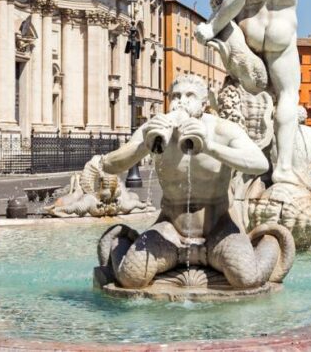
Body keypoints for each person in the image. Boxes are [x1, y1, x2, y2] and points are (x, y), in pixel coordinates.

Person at [99, 74, 290, 289]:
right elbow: (109, 165)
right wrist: (144, 145)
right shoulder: (155, 129)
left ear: (204, 103)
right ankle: (122, 240)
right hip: (171, 229)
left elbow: (259, 163)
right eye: (176, 95)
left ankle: (268, 242)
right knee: (130, 279)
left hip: (218, 228)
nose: (181, 101)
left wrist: (209, 146)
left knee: (246, 279)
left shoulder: (221, 130)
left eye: (190, 96)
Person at [195, 0, 306, 186]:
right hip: (284, 28)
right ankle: (283, 168)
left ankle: (239, 168)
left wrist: (211, 26)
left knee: (240, 92)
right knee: (287, 95)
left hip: (249, 28)